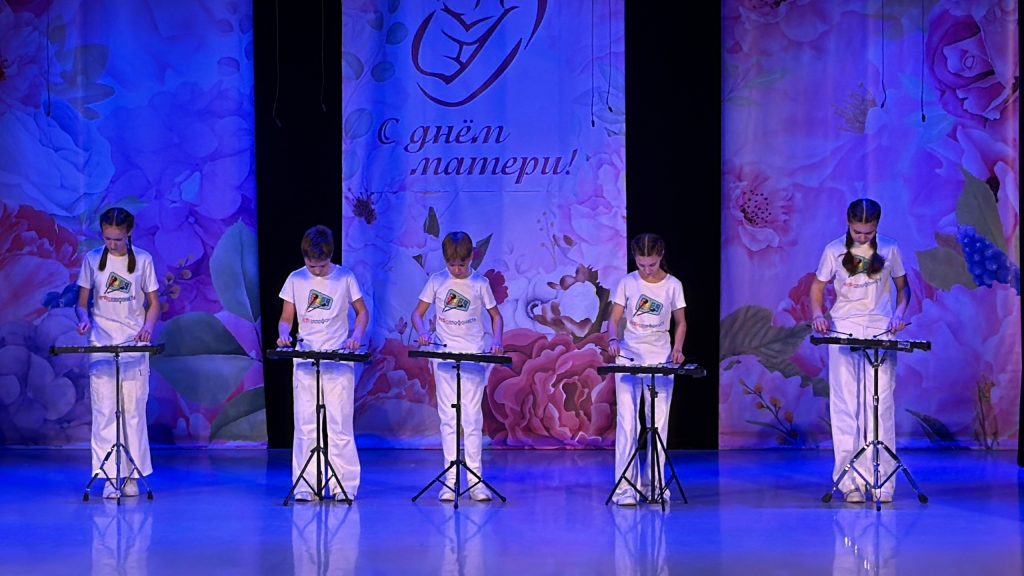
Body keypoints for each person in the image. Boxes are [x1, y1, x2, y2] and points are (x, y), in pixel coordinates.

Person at [810, 198, 910, 504]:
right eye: (857, 232)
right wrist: (817, 313)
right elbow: (817, 287)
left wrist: (899, 314)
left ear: (877, 226)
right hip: (844, 327)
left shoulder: (890, 248)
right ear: (848, 223)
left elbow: (904, 289)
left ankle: (882, 480)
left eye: (868, 232)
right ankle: (850, 481)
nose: (863, 237)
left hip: (880, 328)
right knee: (845, 404)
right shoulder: (833, 250)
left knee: (880, 404)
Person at [277, 225, 369, 502]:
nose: (316, 270)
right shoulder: (295, 278)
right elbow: (286, 319)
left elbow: (362, 313)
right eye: (311, 265)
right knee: (306, 424)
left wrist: (356, 336)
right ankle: (307, 485)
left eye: (322, 265)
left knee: (339, 424)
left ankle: (343, 486)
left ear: (330, 256)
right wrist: (284, 334)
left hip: (337, 359)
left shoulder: (345, 277)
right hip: (306, 359)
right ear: (304, 257)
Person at [411, 231, 504, 502]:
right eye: (452, 264)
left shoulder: (480, 283)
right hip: (444, 357)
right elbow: (417, 314)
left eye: (461, 264)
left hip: (472, 356)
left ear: (471, 257)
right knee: (448, 419)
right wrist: (422, 332)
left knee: (472, 419)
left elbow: (496, 317)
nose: (457, 270)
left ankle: (476, 482)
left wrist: (497, 340)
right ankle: (450, 481)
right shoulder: (437, 281)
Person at [75, 207, 160, 499]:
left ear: (129, 233)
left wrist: (148, 327)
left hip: (133, 344)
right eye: (107, 238)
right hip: (102, 344)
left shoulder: (143, 260)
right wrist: (84, 320)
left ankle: (132, 476)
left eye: (118, 239)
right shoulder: (91, 260)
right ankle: (111, 477)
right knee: (104, 411)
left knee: (133, 412)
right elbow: (81, 303)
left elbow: (154, 304)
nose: (112, 244)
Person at [606, 233, 687, 506]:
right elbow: (614, 319)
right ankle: (625, 489)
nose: (647, 270)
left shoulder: (673, 285)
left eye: (651, 264)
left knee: (658, 424)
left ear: (660, 256)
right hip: (629, 356)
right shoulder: (627, 282)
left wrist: (678, 348)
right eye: (641, 264)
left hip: (660, 357)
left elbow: (681, 322)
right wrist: (613, 339)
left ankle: (655, 485)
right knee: (628, 423)